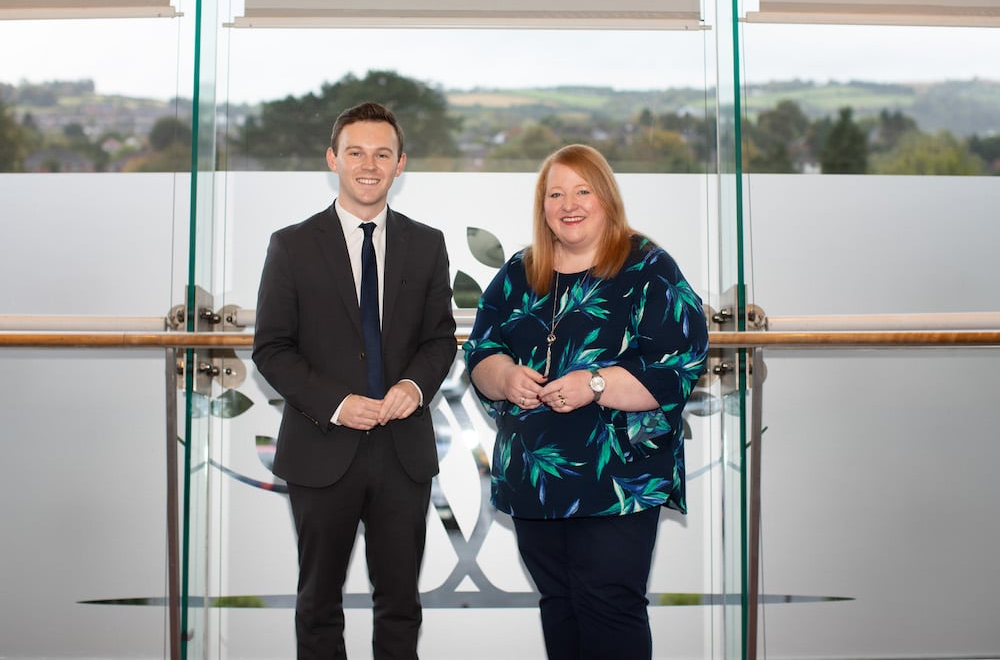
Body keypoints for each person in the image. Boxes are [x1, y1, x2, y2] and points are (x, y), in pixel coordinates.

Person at [462, 144, 709, 660]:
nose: (568, 204)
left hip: (617, 480)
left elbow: (680, 364)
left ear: (606, 199)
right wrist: (505, 377)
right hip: (535, 478)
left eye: (582, 190)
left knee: (609, 606)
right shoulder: (519, 272)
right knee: (559, 604)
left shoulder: (647, 267)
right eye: (556, 193)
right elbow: (481, 351)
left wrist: (595, 384)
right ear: (543, 205)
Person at [252, 101, 457, 660]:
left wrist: (413, 389)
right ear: (333, 159)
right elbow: (270, 348)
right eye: (356, 152)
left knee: (401, 604)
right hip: (322, 448)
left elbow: (440, 339)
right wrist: (338, 403)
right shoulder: (291, 245)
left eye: (382, 154)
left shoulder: (427, 242)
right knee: (318, 604)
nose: (369, 165)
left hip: (403, 451)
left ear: (400, 164)